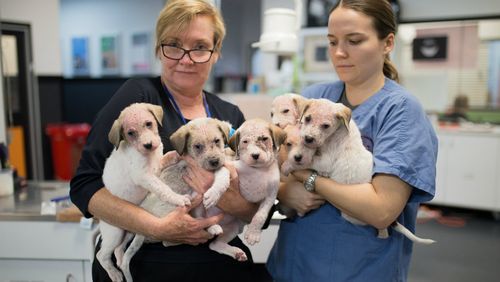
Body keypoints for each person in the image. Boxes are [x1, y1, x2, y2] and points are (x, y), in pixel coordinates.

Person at [70, 1, 268, 281]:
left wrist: (223, 193)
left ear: (215, 53)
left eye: (199, 47)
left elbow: (255, 203)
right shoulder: (139, 99)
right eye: (173, 44)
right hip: (145, 264)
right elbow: (84, 185)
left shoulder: (228, 115)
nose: (186, 59)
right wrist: (158, 227)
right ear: (158, 49)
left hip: (218, 265)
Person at [266, 0, 438, 281]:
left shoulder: (401, 111)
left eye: (354, 41)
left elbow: (381, 209)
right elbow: (279, 162)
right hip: (292, 264)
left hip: (357, 269)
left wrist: (310, 180)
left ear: (387, 43)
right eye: (332, 42)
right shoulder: (314, 96)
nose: (339, 53)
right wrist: (284, 192)